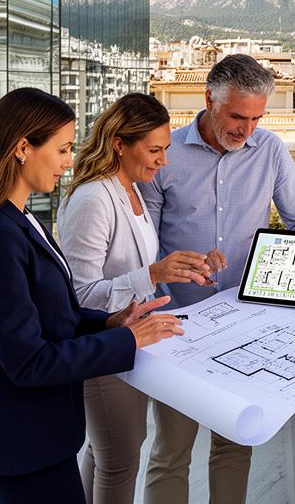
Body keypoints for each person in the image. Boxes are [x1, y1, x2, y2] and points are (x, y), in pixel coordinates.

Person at [0, 87, 184, 503]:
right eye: (62, 149)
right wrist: (126, 341)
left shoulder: (19, 219)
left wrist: (109, 322)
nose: (70, 162)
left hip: (37, 437)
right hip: (20, 443)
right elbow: (29, 362)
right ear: (22, 147)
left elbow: (53, 312)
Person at [141, 54, 295, 504]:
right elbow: (144, 246)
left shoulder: (270, 150)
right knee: (171, 451)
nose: (246, 129)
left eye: (256, 118)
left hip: (245, 323)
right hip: (176, 325)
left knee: (234, 446)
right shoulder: (165, 156)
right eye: (237, 116)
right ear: (209, 100)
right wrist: (176, 266)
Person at [58, 92, 221, 504]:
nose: (163, 161)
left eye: (165, 149)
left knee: (106, 452)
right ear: (119, 144)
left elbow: (133, 265)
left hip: (130, 343)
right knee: (120, 460)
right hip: (104, 346)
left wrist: (182, 267)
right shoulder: (94, 199)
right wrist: (152, 273)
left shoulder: (130, 190)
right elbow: (79, 296)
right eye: (153, 150)